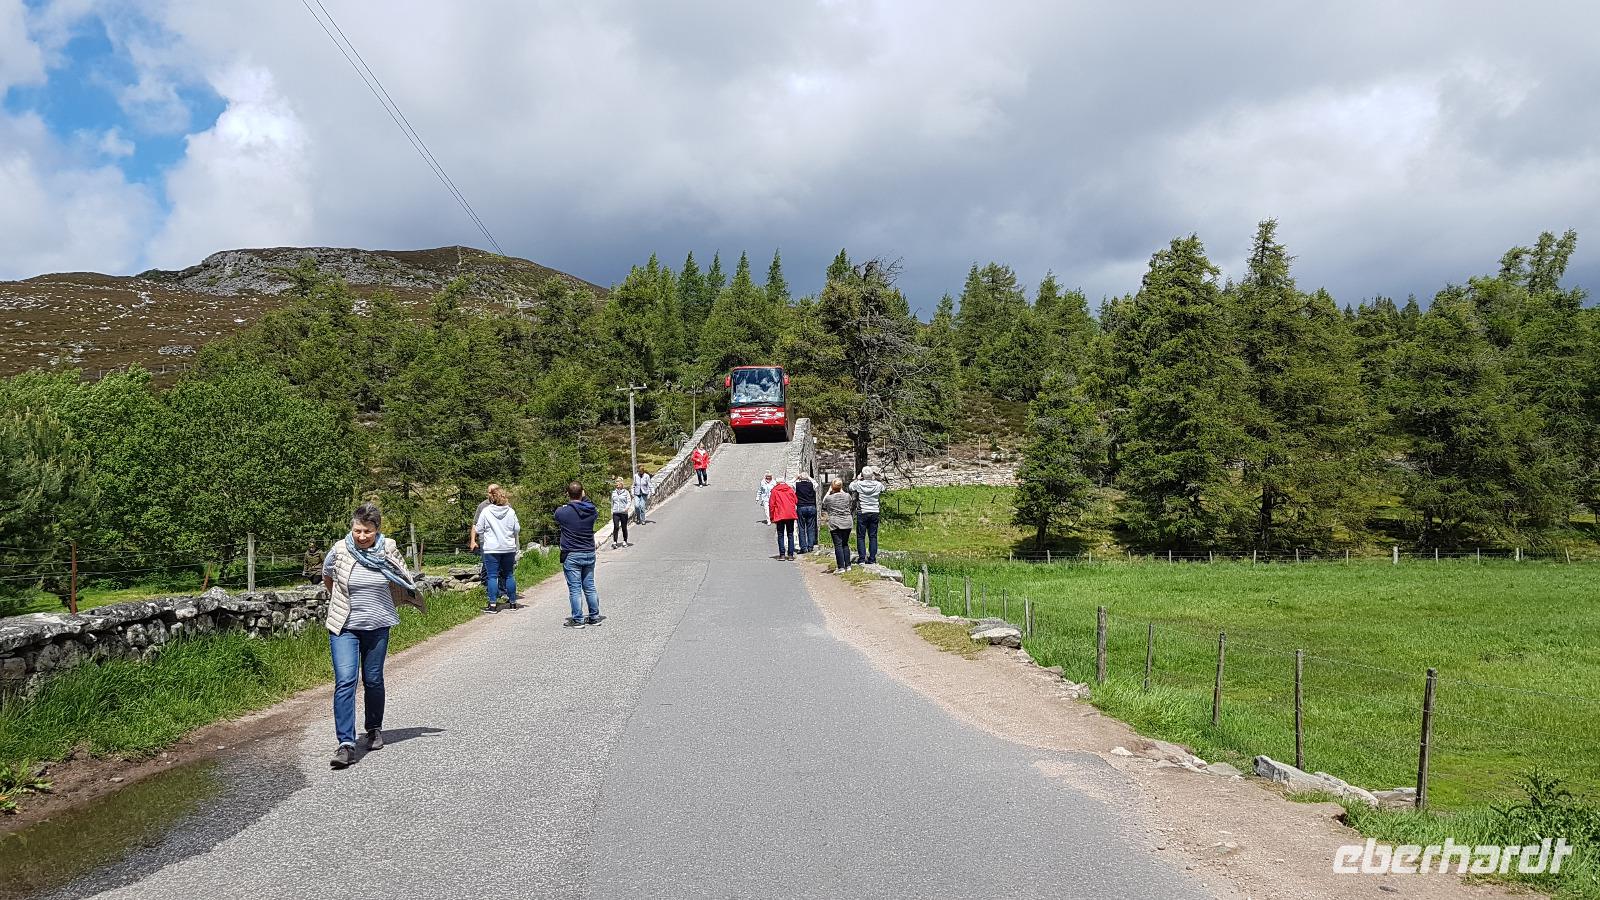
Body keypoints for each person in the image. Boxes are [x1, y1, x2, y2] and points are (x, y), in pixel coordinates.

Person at [321, 501, 425, 769]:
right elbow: (327, 576)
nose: (362, 536)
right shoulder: (340, 550)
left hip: (378, 624)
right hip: (344, 626)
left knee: (374, 679)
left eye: (367, 531)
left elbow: (402, 576)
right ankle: (346, 744)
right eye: (357, 530)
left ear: (377, 529)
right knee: (346, 680)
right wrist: (339, 601)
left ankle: (374, 728)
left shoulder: (388, 549)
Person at [555, 481, 603, 629]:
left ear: (567, 494)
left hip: (572, 554)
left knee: (575, 589)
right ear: (582, 493)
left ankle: (578, 619)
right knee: (590, 586)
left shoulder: (562, 512)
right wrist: (583, 496)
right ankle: (594, 617)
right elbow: (589, 504)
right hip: (589, 552)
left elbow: (557, 515)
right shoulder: (591, 511)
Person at [474, 484, 522, 613]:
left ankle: (493, 605)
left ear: (492, 498)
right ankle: (513, 603)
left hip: (492, 548)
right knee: (509, 575)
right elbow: (517, 529)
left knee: (492, 576)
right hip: (508, 548)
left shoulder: (486, 511)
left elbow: (478, 529)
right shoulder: (510, 511)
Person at [850, 466, 886, 565]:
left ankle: (862, 558)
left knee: (861, 536)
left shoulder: (859, 484)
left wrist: (857, 479)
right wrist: (876, 478)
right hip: (874, 511)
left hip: (863, 511)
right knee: (873, 536)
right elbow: (884, 488)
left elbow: (850, 487)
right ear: (872, 475)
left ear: (862, 475)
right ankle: (872, 559)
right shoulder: (878, 484)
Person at [822, 479, 854, 573]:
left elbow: (824, 502)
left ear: (832, 487)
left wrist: (829, 491)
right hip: (847, 521)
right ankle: (848, 565)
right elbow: (850, 501)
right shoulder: (847, 496)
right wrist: (840, 489)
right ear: (841, 486)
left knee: (838, 545)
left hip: (835, 522)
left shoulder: (829, 498)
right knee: (845, 544)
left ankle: (841, 567)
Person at [768, 477, 798, 560]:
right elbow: (796, 500)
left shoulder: (775, 490)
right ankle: (790, 555)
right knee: (790, 534)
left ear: (777, 483)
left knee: (780, 534)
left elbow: (771, 504)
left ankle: (782, 555)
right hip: (790, 514)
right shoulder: (790, 489)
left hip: (780, 514)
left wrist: (771, 517)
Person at [794, 472, 818, 554]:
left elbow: (789, 484)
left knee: (801, 528)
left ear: (800, 478)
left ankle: (803, 547)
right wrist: (809, 478)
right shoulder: (812, 485)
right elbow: (816, 484)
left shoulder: (796, 485)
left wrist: (796, 478)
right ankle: (810, 546)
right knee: (810, 527)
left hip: (801, 507)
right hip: (811, 506)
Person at [609, 477, 632, 549]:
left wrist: (626, 508)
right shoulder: (613, 493)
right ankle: (615, 542)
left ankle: (625, 541)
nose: (616, 485)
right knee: (616, 527)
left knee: (624, 527)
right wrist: (612, 510)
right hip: (616, 512)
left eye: (618, 483)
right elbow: (612, 502)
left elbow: (629, 501)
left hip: (623, 513)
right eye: (616, 484)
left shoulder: (626, 492)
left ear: (621, 484)